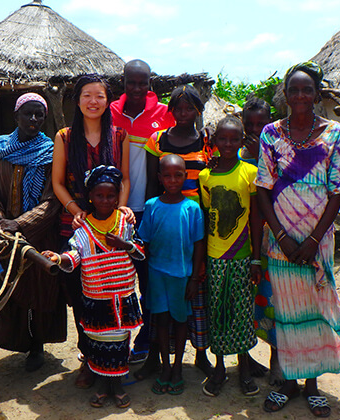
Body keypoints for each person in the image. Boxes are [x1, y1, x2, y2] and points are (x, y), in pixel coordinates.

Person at [256, 61, 340, 417]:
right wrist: (281, 236)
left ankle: (313, 386)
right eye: (293, 89)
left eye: (307, 90)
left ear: (317, 94)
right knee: (285, 312)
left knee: (315, 311)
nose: (300, 95)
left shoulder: (333, 133)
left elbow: (339, 191)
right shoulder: (270, 134)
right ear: (285, 94)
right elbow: (263, 191)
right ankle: (287, 384)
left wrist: (314, 239)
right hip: (280, 240)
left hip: (319, 240)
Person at [52, 74, 131, 388]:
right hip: (73, 226)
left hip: (111, 228)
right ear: (78, 100)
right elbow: (58, 182)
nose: (93, 101)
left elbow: (123, 179)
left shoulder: (119, 136)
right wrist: (77, 211)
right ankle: (89, 358)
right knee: (80, 297)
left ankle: (113, 360)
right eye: (87, 95)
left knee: (112, 294)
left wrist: (121, 208)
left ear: (107, 100)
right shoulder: (65, 136)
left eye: (99, 95)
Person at [42, 165, 143, 409]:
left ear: (118, 196)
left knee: (119, 342)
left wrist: (124, 244)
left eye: (111, 196)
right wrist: (58, 258)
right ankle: (102, 385)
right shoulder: (84, 229)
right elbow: (74, 256)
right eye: (100, 195)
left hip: (122, 296)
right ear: (90, 197)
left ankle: (116, 385)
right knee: (98, 341)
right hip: (96, 297)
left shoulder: (126, 222)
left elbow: (140, 252)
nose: (106, 200)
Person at [137, 84, 214, 380]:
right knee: (158, 297)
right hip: (163, 220)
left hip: (195, 220)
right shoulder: (157, 140)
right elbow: (151, 185)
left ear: (197, 110)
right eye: (177, 108)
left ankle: (200, 356)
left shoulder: (207, 142)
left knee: (196, 294)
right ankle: (155, 358)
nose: (183, 114)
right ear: (170, 111)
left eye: (189, 108)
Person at [0, 92, 66, 371]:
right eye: (28, 114)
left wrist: (20, 224)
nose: (33, 119)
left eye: (39, 115)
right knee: (1, 287)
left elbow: (52, 199)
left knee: (37, 291)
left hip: (39, 234)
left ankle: (36, 346)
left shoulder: (51, 152)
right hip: (3, 237)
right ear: (15, 116)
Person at [111, 59, 176, 364]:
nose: (137, 89)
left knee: (149, 279)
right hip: (115, 212)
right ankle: (114, 339)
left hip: (151, 211)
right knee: (118, 281)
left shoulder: (165, 115)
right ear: (122, 83)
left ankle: (146, 338)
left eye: (142, 83)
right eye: (131, 83)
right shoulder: (110, 113)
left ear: (150, 83)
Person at [198, 116, 262, 397]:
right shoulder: (205, 176)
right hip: (215, 256)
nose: (227, 144)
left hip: (242, 255)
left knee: (243, 312)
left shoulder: (250, 172)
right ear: (213, 142)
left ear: (241, 141)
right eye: (222, 139)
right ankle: (220, 368)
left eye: (233, 139)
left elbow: (256, 217)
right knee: (218, 312)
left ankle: (244, 367)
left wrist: (256, 258)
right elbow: (207, 216)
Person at [137, 154, 204, 396]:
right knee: (162, 321)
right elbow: (143, 243)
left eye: (178, 175)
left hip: (181, 276)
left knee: (180, 321)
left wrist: (195, 278)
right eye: (167, 175)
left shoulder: (192, 208)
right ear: (159, 178)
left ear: (185, 177)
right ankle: (165, 367)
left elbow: (198, 245)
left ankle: (178, 369)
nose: (173, 180)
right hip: (157, 275)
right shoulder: (152, 206)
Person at [240, 97, 283, 385]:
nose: (256, 129)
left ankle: (276, 359)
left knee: (274, 301)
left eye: (261, 123)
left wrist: (262, 156)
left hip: (274, 235)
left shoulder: (281, 150)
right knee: (244, 300)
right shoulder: (234, 150)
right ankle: (245, 359)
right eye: (250, 124)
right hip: (242, 239)